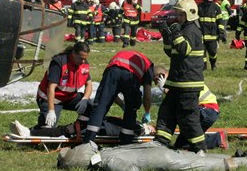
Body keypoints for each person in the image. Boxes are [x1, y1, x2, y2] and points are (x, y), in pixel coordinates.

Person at [155, 0, 207, 154]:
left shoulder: (192, 31)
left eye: (180, 15)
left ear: (189, 14)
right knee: (166, 113)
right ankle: (160, 144)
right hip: (178, 83)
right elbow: (172, 52)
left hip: (188, 84)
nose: (177, 18)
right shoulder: (185, 30)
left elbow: (184, 49)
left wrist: (176, 32)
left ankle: (200, 149)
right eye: (177, 14)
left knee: (188, 118)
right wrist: (166, 34)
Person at [83, 50, 154, 145]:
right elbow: (147, 95)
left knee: (100, 106)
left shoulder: (123, 55)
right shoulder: (148, 65)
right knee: (131, 110)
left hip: (111, 71)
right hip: (130, 76)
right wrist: (147, 112)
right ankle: (126, 142)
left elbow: (109, 93)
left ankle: (88, 141)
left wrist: (121, 104)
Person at [57, 141, 247, 171]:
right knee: (196, 159)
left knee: (197, 163)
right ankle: (238, 160)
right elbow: (131, 168)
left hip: (159, 158)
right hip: (156, 153)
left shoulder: (105, 159)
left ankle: (241, 162)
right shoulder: (106, 155)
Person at [154, 66, 227, 149]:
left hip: (206, 110)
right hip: (208, 111)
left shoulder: (177, 79)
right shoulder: (177, 78)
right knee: (181, 145)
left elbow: (181, 100)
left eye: (156, 80)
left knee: (187, 124)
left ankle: (216, 139)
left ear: (162, 75)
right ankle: (219, 138)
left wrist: (165, 90)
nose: (156, 84)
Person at [34, 42, 93, 129]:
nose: (83, 61)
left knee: (92, 106)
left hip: (69, 98)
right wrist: (51, 110)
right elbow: (51, 88)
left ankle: (79, 128)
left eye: (85, 58)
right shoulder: (59, 63)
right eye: (80, 58)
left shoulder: (83, 64)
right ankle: (30, 131)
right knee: (48, 128)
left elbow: (89, 84)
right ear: (73, 53)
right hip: (51, 99)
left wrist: (85, 99)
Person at [10, 116, 155, 139]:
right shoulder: (138, 127)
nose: (152, 126)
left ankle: (29, 132)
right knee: (64, 130)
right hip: (99, 125)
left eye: (153, 128)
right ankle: (30, 131)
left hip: (99, 128)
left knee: (65, 131)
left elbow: (119, 121)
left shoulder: (139, 129)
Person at [197, 0, 224, 70]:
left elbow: (220, 21)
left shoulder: (216, 7)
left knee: (212, 53)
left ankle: (213, 64)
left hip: (212, 36)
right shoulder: (199, 7)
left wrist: (221, 32)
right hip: (201, 35)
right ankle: (204, 68)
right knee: (202, 53)